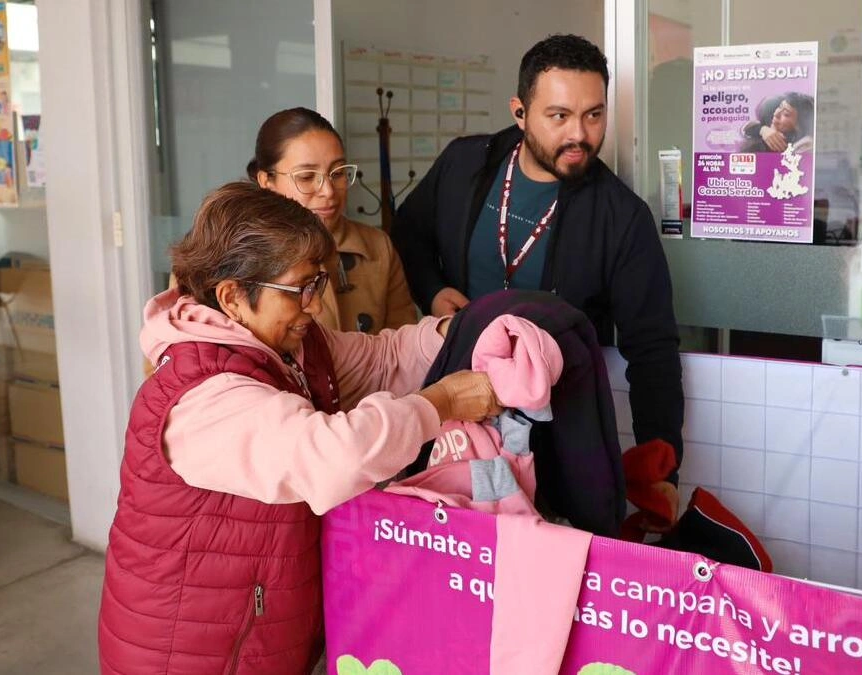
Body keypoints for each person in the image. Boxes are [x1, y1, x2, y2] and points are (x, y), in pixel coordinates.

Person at [98, 181, 502, 674]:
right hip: (191, 653)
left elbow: (381, 360)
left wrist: (460, 331)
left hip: (258, 634)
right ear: (232, 297)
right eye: (299, 289)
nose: (314, 304)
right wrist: (442, 403)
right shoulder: (203, 397)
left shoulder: (290, 346)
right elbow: (335, 459)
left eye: (319, 282)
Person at [392, 34, 684, 529]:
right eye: (559, 116)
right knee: (452, 540)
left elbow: (651, 346)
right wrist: (433, 290)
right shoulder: (465, 164)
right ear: (520, 113)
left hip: (553, 430)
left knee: (539, 549)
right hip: (453, 408)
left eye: (594, 115)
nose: (579, 135)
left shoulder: (621, 218)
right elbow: (409, 231)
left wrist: (662, 468)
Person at [249, 107, 418, 333]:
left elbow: (406, 342)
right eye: (307, 177)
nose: (328, 191)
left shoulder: (378, 246)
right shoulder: (244, 257)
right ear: (266, 181)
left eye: (337, 173)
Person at [739, 92, 815, 154]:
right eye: (780, 107)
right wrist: (762, 129)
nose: (776, 114)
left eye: (786, 114)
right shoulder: (761, 129)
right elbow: (746, 128)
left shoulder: (805, 146)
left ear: (798, 126)